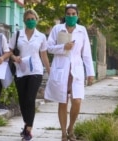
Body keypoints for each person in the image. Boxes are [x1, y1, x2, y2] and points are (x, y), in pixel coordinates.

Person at [44, 4, 95, 141]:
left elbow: (87, 54)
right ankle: (63, 133)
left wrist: (91, 73)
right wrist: (63, 47)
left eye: (74, 14)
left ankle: (71, 128)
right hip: (61, 68)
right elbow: (49, 48)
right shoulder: (57, 29)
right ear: (65, 15)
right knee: (63, 101)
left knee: (77, 101)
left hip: (76, 70)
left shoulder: (82, 30)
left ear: (77, 16)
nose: (71, 16)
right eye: (69, 14)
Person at [9, 9, 50, 141]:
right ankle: (27, 123)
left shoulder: (41, 36)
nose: (31, 21)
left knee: (30, 98)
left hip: (35, 71)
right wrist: (14, 58)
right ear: (24, 20)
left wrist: (49, 70)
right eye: (28, 19)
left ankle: (28, 129)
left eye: (33, 19)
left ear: (36, 20)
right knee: (22, 99)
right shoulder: (17, 34)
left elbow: (44, 55)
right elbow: (8, 51)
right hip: (21, 70)